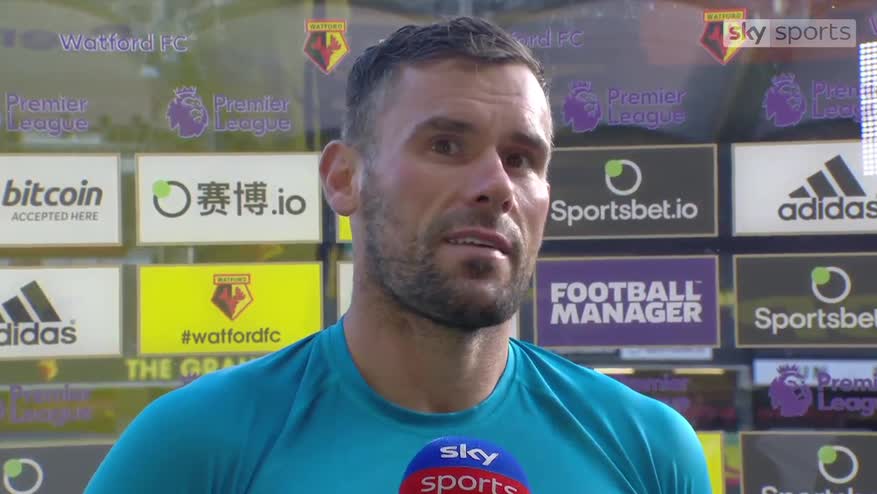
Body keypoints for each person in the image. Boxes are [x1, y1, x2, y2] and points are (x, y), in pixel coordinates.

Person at [85, 16, 711, 493]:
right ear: (344, 179)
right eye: (446, 145)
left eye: (521, 159)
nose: (496, 185)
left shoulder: (649, 450)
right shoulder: (195, 443)